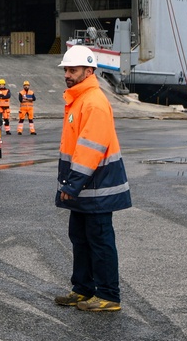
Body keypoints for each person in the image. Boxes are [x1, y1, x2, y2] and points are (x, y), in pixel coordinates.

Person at [53, 45, 131, 312]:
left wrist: (72, 184)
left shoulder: (93, 102)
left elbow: (91, 149)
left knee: (99, 240)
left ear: (89, 71)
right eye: (66, 70)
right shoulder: (77, 100)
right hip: (85, 185)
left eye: (73, 70)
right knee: (80, 237)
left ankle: (109, 295)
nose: (68, 75)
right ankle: (83, 289)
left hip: (96, 187)